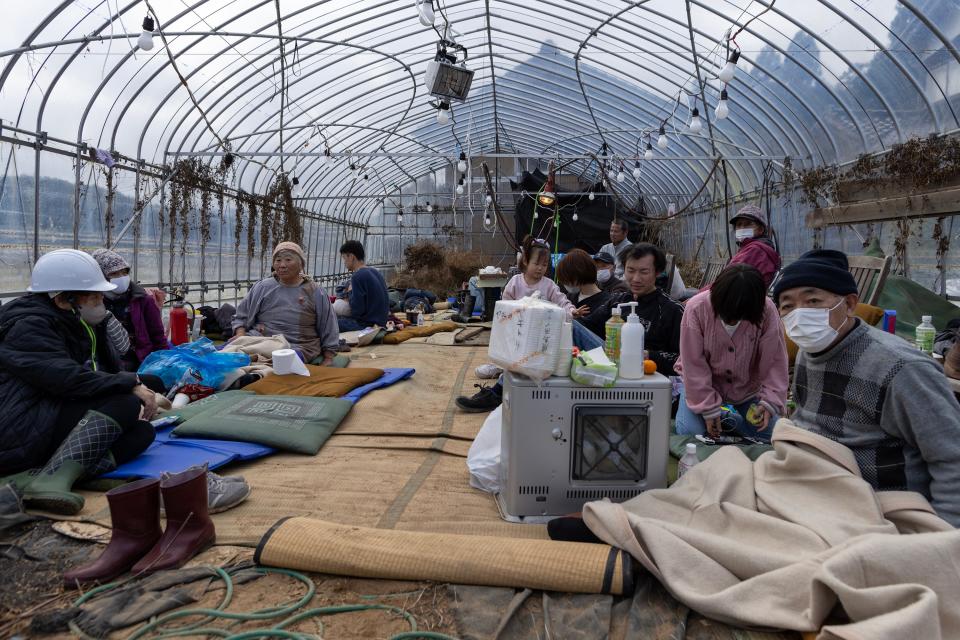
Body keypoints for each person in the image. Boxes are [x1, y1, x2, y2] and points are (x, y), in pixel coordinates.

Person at [774, 249, 960, 527]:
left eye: (813, 301)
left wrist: (943, 539)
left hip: (875, 510)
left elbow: (952, 457)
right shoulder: (807, 352)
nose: (799, 315)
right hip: (810, 488)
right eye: (787, 306)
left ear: (849, 304)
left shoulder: (902, 369)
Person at [0, 250, 157, 514]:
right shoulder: (29, 325)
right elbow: (65, 378)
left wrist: (130, 381)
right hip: (16, 426)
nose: (100, 302)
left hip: (41, 413)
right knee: (125, 404)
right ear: (63, 299)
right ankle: (51, 480)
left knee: (142, 434)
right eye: (94, 297)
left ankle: (34, 476)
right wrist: (129, 382)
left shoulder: (62, 319)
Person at [456, 237, 587, 413]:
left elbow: (562, 301)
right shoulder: (516, 282)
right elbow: (505, 305)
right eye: (537, 263)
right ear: (525, 261)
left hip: (540, 339)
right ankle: (500, 377)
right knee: (511, 361)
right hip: (517, 333)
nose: (541, 268)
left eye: (545, 264)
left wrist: (572, 311)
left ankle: (497, 390)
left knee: (523, 364)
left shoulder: (548, 285)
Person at [674, 264, 788, 443]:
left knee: (776, 436)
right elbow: (693, 363)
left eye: (740, 316)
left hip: (747, 389)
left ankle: (727, 419)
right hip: (699, 387)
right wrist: (707, 407)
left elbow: (775, 361)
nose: (732, 320)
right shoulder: (696, 308)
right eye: (726, 314)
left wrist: (770, 401)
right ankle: (719, 415)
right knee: (691, 433)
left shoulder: (766, 310)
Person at [232, 242, 339, 365]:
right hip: (259, 339)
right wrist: (241, 336)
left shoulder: (315, 291)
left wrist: (328, 357)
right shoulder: (263, 287)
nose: (282, 265)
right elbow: (241, 315)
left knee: (280, 364)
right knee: (224, 354)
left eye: (288, 260)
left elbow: (328, 324)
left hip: (297, 345)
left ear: (301, 264)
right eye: (278, 260)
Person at [604, 243, 684, 376]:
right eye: (630, 270)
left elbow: (685, 358)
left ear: (657, 272)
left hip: (651, 379)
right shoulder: (618, 301)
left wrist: (648, 355)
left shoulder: (671, 310)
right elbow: (588, 327)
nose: (636, 279)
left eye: (644, 272)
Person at [90, 248, 168, 371]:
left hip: (140, 362)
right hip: (105, 365)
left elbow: (158, 336)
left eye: (124, 272)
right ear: (102, 276)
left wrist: (165, 363)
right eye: (114, 274)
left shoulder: (143, 299)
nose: (121, 277)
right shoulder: (92, 301)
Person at [556, 249, 615, 339]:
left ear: (576, 274)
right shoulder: (570, 297)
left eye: (565, 279)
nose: (565, 284)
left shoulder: (606, 303)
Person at [337, 240, 389, 332]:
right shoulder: (375, 272)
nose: (344, 262)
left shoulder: (357, 276)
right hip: (382, 323)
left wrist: (349, 293)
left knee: (330, 322)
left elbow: (357, 311)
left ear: (352, 257)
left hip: (368, 326)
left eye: (344, 258)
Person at [726, 204, 781, 289]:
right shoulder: (755, 247)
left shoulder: (755, 250)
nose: (742, 228)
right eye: (739, 224)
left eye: (748, 224)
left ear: (760, 230)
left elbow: (726, 280)